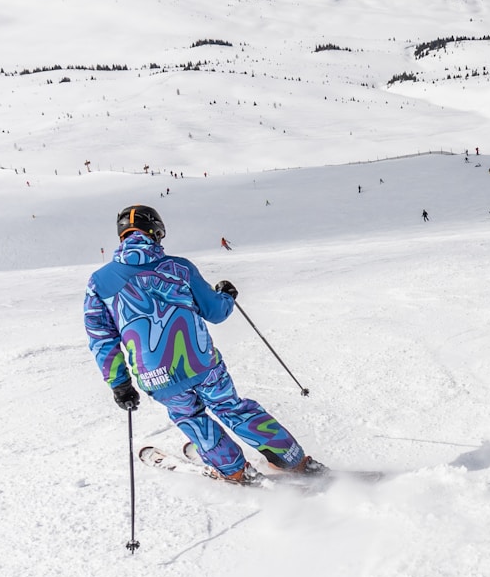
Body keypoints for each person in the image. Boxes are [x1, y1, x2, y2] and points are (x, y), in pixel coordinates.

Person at [83, 205, 323, 484]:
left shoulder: (99, 281)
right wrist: (226, 296)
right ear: (156, 232)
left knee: (191, 417)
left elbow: (101, 337)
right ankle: (292, 460)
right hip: (201, 363)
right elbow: (215, 312)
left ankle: (234, 470)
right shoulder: (179, 268)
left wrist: (119, 384)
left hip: (155, 375)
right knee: (232, 408)